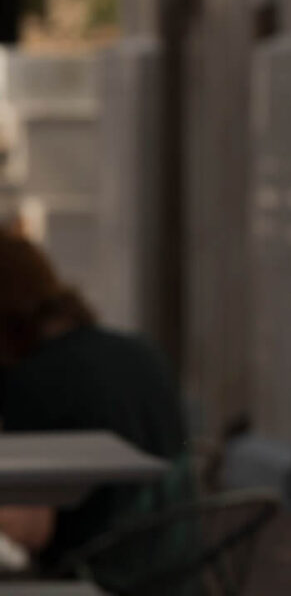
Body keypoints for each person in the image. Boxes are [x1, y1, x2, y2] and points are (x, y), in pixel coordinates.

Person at [0, 227, 191, 578]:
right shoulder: (140, 351)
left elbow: (32, 528)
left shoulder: (35, 380)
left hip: (104, 575)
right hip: (178, 566)